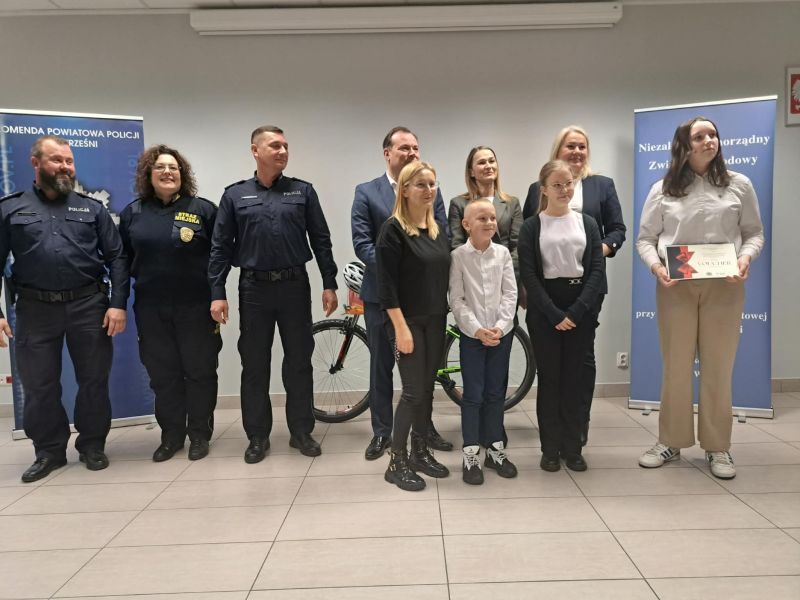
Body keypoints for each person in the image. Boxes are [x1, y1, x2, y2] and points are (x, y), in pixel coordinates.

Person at [636, 116, 764, 480]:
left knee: (718, 366)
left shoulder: (739, 184)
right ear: (684, 145)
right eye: (699, 136)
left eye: (713, 135)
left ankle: (717, 445)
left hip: (725, 285)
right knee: (676, 365)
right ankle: (670, 440)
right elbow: (645, 239)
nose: (709, 140)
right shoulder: (663, 188)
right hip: (675, 286)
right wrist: (656, 268)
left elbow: (754, 233)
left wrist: (745, 258)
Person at [0, 135, 128, 483]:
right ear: (36, 163)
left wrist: (117, 304)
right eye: (57, 160)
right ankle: (49, 451)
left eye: (69, 161)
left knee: (94, 381)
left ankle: (92, 445)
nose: (65, 167)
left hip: (88, 306)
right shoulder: (10, 208)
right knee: (39, 385)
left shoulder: (92, 209)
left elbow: (117, 258)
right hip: (35, 309)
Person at [209, 125, 338, 463]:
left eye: (285, 146)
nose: (282, 151)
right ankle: (257, 436)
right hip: (254, 289)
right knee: (254, 364)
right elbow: (220, 247)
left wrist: (329, 282)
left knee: (299, 361)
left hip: (295, 286)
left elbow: (321, 239)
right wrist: (217, 291)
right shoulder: (235, 195)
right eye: (275, 146)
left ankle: (301, 432)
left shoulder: (303, 191)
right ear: (255, 150)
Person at [351, 126, 452, 461]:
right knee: (381, 365)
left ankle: (425, 430)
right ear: (387, 154)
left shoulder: (431, 190)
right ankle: (383, 432)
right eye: (404, 148)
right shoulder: (367, 192)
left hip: (425, 299)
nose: (411, 153)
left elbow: (441, 234)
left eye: (415, 148)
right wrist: (399, 265)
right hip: (384, 297)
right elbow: (363, 244)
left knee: (423, 374)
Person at [522, 126, 626, 446]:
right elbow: (528, 245)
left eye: (582, 146)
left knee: (582, 364)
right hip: (547, 294)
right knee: (551, 370)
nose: (577, 151)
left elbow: (617, 230)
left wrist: (596, 251)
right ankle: (552, 442)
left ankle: (578, 431)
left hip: (588, 288)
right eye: (571, 146)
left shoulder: (601, 185)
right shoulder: (536, 191)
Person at [119, 145, 222, 463]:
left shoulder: (203, 210)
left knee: (200, 372)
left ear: (182, 174)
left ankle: (199, 435)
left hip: (196, 307)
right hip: (151, 309)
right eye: (160, 167)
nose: (167, 172)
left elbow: (219, 257)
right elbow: (122, 260)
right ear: (148, 174)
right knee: (163, 375)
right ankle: (171, 436)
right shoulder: (133, 213)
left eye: (173, 167)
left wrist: (218, 294)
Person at [518, 159, 603, 473]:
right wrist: (554, 314)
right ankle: (550, 449)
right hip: (545, 311)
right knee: (550, 380)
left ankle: (573, 448)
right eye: (557, 185)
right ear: (543, 189)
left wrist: (577, 311)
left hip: (580, 308)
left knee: (575, 381)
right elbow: (529, 275)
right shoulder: (532, 227)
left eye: (568, 183)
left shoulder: (587, 223)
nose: (564, 189)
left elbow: (596, 270)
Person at [376, 161, 451, 491]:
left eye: (432, 184)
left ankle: (420, 453)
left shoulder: (436, 231)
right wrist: (401, 329)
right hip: (406, 322)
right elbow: (387, 287)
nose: (429, 190)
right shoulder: (392, 230)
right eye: (421, 184)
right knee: (412, 392)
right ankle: (396, 462)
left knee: (427, 389)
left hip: (435, 319)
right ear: (404, 190)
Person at [449, 199, 518, 485]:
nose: (490, 222)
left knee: (495, 393)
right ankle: (470, 453)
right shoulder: (458, 257)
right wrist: (478, 330)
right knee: (474, 395)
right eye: (482, 218)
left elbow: (510, 294)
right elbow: (457, 299)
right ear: (466, 224)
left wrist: (500, 327)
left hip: (501, 335)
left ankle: (495, 449)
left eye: (492, 218)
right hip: (472, 337)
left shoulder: (502, 254)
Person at [448, 146, 523, 276]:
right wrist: (478, 277)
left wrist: (506, 276)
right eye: (482, 162)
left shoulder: (512, 203)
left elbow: (518, 246)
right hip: (473, 277)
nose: (488, 166)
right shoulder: (458, 204)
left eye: (491, 161)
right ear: (471, 172)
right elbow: (457, 245)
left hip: (507, 276)